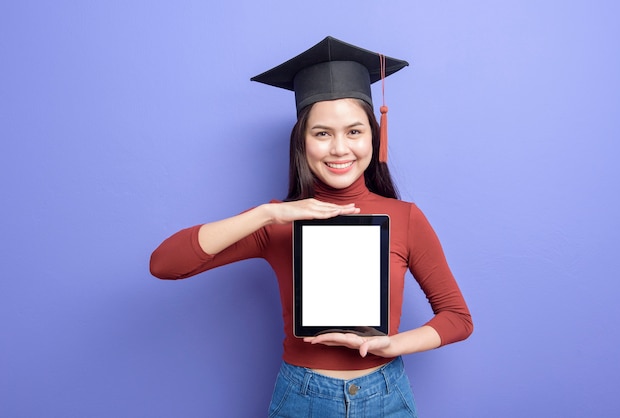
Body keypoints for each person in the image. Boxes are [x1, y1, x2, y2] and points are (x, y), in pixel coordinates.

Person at [150, 36, 473, 417]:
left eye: (354, 131)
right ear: (302, 142)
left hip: (385, 394)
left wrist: (395, 344)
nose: (339, 149)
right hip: (303, 398)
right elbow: (164, 264)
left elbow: (457, 318)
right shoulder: (277, 223)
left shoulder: (405, 217)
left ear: (374, 136)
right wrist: (268, 214)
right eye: (322, 133)